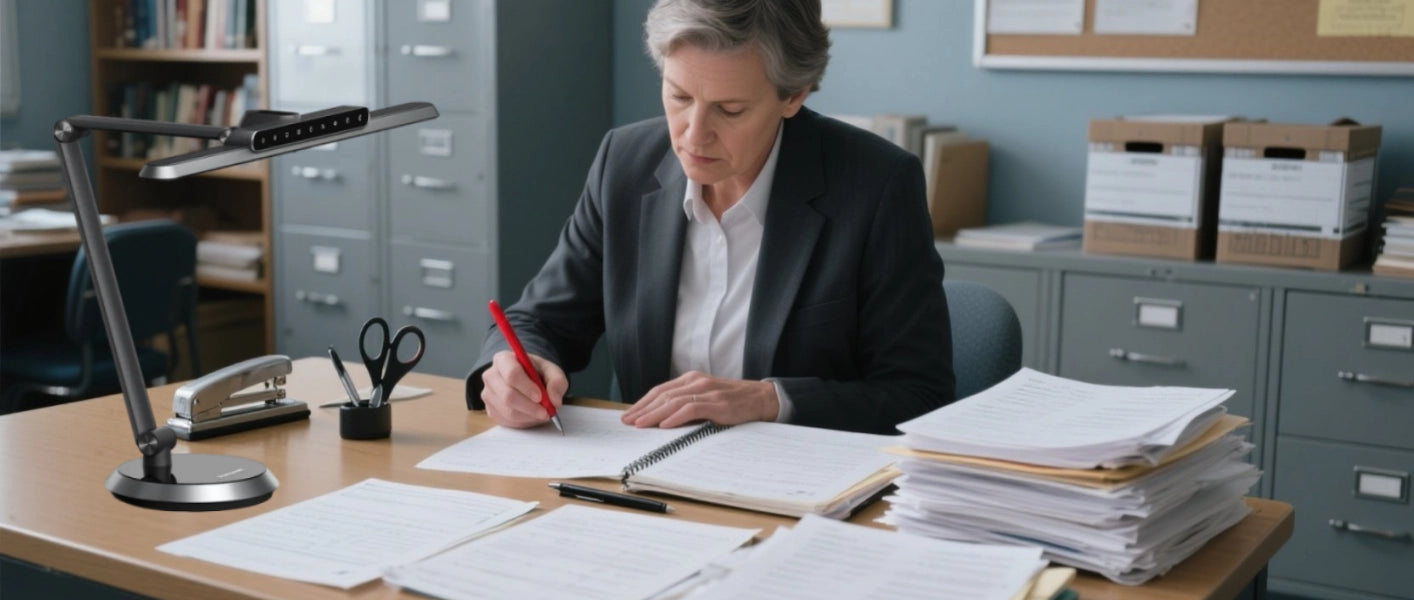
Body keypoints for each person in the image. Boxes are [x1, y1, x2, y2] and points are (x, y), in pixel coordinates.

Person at [466, 0, 953, 435]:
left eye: (730, 110)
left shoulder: (877, 185)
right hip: (643, 473)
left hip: (793, 488)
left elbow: (920, 395)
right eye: (679, 97)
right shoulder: (626, 162)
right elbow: (540, 319)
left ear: (794, 96)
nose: (693, 136)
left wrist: (768, 400)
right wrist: (516, 365)